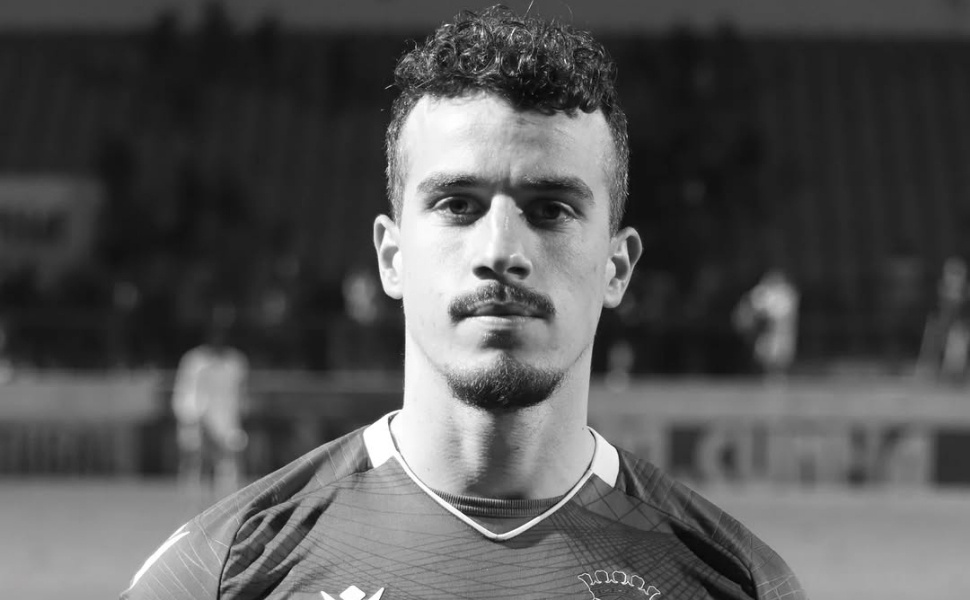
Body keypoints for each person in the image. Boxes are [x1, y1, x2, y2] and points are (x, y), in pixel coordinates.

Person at [123, 7, 806, 599]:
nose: (501, 250)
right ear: (391, 257)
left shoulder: (735, 582)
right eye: (458, 204)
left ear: (617, 266)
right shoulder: (224, 570)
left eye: (551, 208)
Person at [170, 305, 249, 498]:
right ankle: (191, 506)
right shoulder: (194, 361)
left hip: (226, 422)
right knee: (195, 465)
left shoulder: (236, 362)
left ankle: (229, 506)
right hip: (197, 421)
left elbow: (240, 396)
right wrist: (191, 417)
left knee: (227, 466)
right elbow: (184, 392)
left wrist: (235, 420)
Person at [734, 268, 800, 380]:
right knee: (765, 358)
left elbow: (780, 312)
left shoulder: (786, 293)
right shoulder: (762, 292)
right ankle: (766, 377)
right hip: (765, 333)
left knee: (779, 360)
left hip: (781, 333)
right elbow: (748, 310)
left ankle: (776, 379)